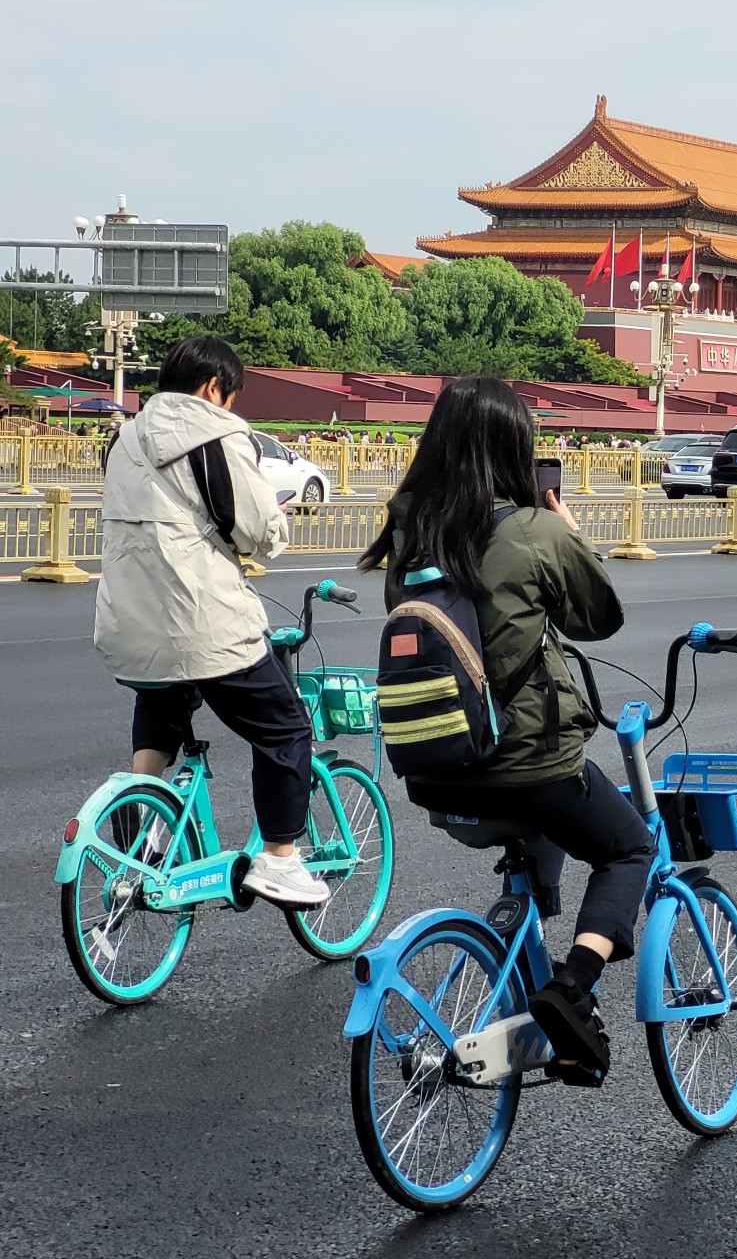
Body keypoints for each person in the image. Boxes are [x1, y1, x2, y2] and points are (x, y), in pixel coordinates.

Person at [357, 376, 647, 1083]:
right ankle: (571, 989)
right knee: (627, 847)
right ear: (513, 451)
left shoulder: (408, 531)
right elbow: (597, 619)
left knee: (535, 815)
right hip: (526, 765)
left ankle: (529, 954)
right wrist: (568, 532)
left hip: (433, 767)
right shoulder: (533, 530)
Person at [94, 335, 327, 907]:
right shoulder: (219, 436)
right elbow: (258, 534)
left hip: (126, 622)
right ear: (213, 388)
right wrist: (277, 516)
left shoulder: (125, 436)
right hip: (202, 622)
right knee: (286, 730)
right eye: (230, 397)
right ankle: (279, 859)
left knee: (161, 705)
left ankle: (138, 836)